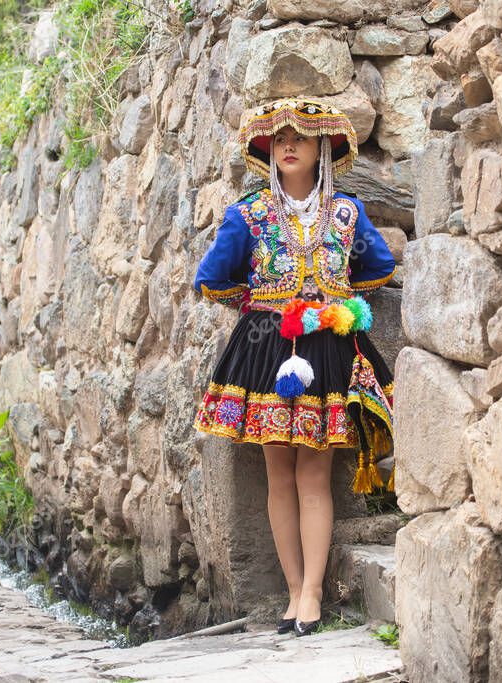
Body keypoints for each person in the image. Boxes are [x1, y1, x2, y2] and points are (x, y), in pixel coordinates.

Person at [191, 98, 397, 637]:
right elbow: (210, 277)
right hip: (267, 351)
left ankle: (310, 595)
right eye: (279, 137)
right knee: (278, 472)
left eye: (300, 138)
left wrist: (340, 303)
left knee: (314, 472)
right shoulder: (249, 215)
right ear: (266, 147)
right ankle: (290, 590)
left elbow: (378, 266)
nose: (287, 145)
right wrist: (261, 303)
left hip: (328, 349)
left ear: (321, 147)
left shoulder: (348, 214)